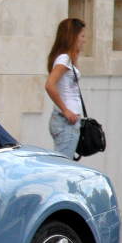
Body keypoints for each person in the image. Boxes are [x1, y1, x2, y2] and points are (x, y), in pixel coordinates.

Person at [44, 17, 87, 159]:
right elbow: (49, 85)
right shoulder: (64, 60)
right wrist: (66, 110)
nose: (84, 40)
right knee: (64, 166)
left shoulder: (67, 59)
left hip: (68, 121)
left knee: (64, 163)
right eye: (82, 36)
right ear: (72, 37)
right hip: (66, 121)